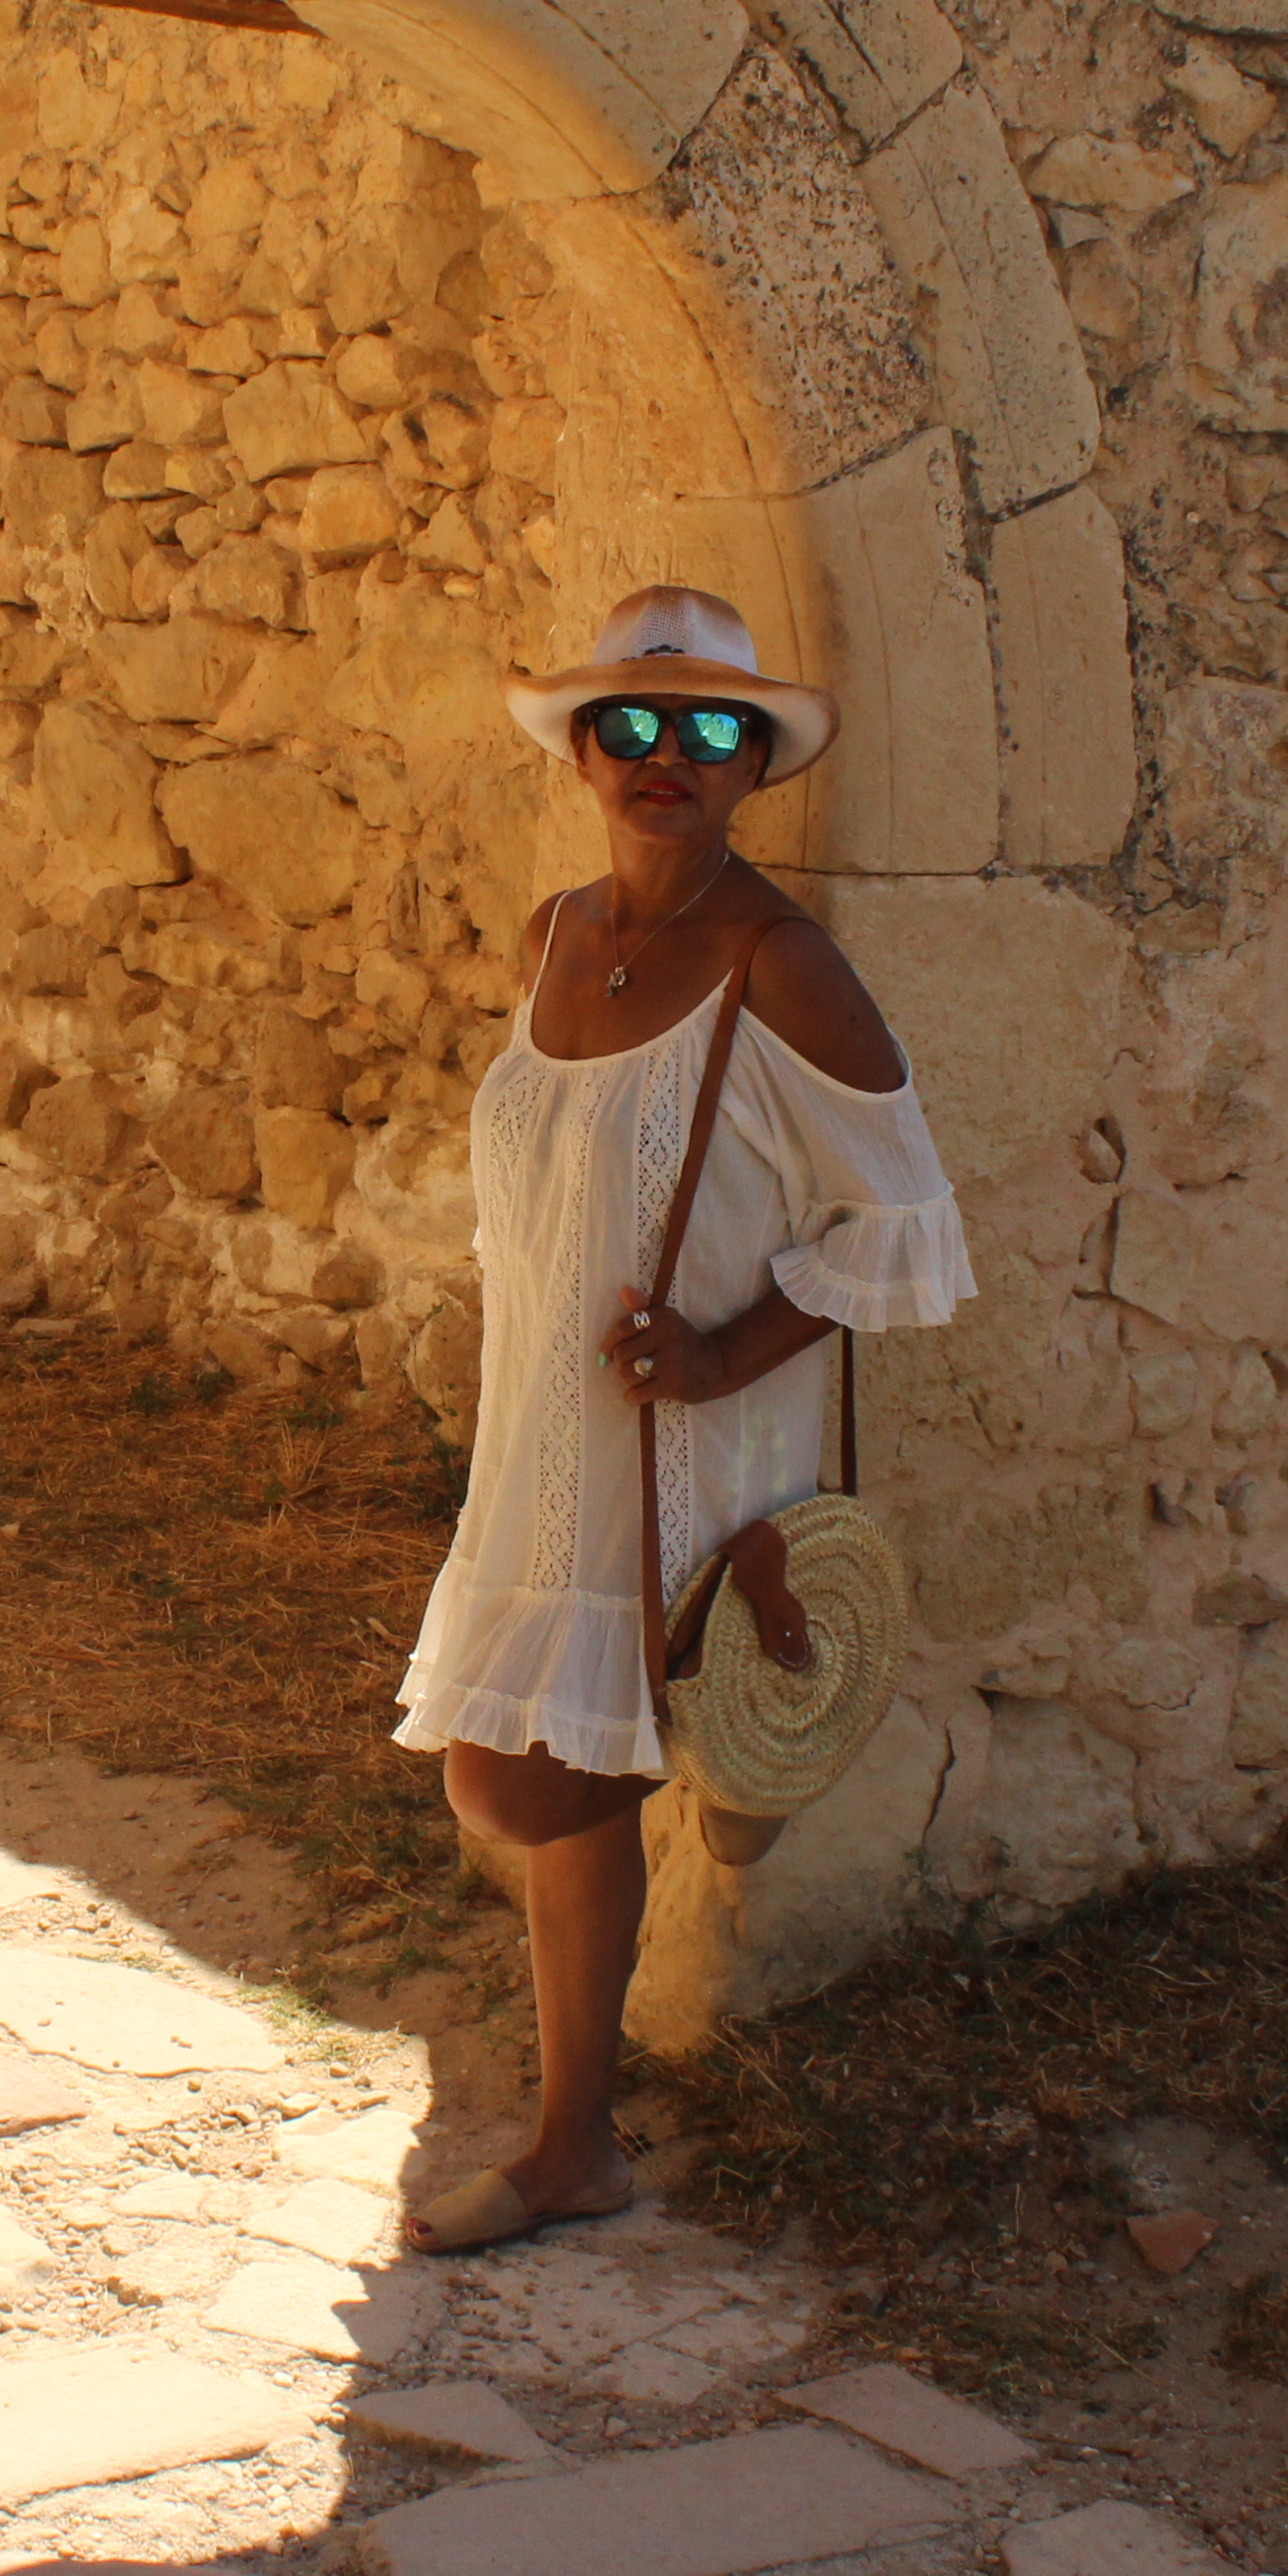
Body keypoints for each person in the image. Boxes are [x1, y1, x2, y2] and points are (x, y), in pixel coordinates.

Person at [391, 581, 973, 2255]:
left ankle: (705, 1842)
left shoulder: (781, 963)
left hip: (690, 1438)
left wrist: (726, 1356)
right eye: (628, 724)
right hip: (548, 1442)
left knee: (527, 1783)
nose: (666, 755)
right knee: (547, 1776)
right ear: (581, 750)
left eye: (711, 729)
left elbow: (910, 1225)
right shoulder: (556, 936)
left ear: (752, 769)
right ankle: (579, 2139)